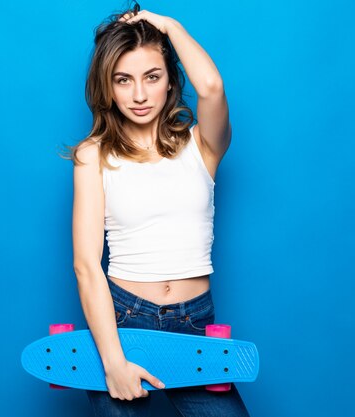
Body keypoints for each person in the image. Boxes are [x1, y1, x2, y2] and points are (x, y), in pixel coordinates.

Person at [63, 4, 250, 416]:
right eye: (123, 80)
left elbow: (213, 88)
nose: (140, 94)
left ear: (170, 81)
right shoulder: (92, 155)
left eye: (152, 76)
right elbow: (86, 265)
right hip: (123, 322)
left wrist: (169, 27)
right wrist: (113, 362)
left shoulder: (202, 146)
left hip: (196, 323)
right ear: (107, 87)